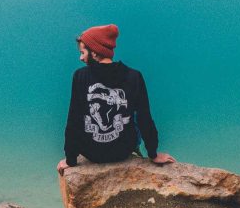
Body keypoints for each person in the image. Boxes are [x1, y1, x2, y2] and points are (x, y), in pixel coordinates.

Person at [57, 24, 175, 175]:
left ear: (94, 53)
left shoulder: (80, 76)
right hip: (123, 152)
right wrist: (153, 153)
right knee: (136, 116)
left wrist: (70, 159)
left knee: (81, 115)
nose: (81, 58)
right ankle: (136, 149)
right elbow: (145, 118)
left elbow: (74, 120)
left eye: (82, 52)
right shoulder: (134, 76)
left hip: (92, 154)